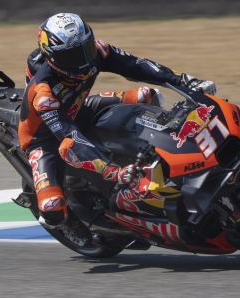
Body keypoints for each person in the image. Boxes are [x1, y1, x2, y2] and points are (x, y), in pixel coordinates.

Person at [19, 13, 216, 229]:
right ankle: (72, 226)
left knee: (148, 95)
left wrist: (185, 81)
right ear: (52, 57)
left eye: (86, 49)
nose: (84, 60)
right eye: (72, 57)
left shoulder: (98, 50)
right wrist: (113, 171)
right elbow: (69, 139)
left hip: (79, 109)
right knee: (52, 208)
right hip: (46, 138)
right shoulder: (43, 93)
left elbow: (135, 65)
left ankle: (170, 146)